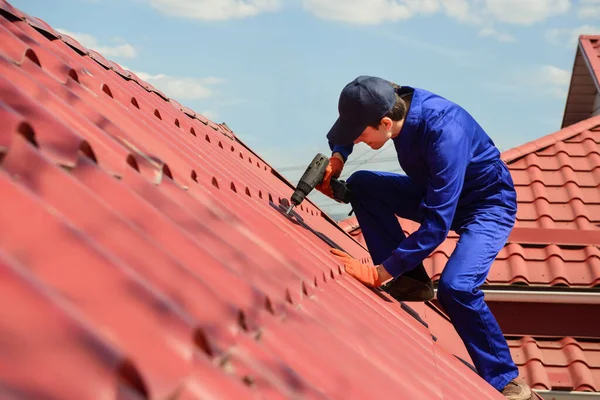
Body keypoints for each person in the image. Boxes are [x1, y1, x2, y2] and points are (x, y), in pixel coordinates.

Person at [316, 75, 532, 400]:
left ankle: (506, 380)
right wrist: (338, 157)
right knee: (362, 184)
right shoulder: (383, 98)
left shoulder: (445, 133)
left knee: (457, 287)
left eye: (360, 136)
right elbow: (350, 127)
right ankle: (410, 282)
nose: (357, 141)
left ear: (386, 123)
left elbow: (436, 225)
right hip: (432, 190)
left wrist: (379, 273)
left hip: (486, 206)